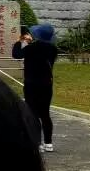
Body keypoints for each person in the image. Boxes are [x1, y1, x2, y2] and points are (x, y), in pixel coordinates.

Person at [13, 24, 59, 152]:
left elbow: (16, 54)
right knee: (45, 113)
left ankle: (38, 143)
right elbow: (40, 49)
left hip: (31, 84)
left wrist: (21, 41)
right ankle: (48, 143)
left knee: (32, 113)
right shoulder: (53, 49)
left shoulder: (30, 48)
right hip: (46, 84)